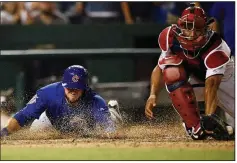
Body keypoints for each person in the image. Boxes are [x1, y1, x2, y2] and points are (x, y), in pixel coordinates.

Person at [145, 3, 234, 140]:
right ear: (180, 26)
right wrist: (152, 95)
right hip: (195, 81)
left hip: (224, 82)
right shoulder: (170, 37)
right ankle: (195, 126)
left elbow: (212, 86)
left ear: (205, 29)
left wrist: (209, 118)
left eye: (197, 29)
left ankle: (217, 126)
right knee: (172, 72)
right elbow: (160, 67)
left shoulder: (216, 47)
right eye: (187, 27)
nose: (192, 34)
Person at [1, 65, 123, 138]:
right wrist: (5, 132)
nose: (73, 91)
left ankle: (112, 109)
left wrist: (110, 131)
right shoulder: (47, 93)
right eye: (70, 87)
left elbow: (108, 127)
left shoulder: (95, 101)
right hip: (52, 120)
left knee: (109, 129)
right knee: (35, 132)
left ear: (85, 88)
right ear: (63, 85)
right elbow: (22, 116)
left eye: (77, 87)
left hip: (88, 123)